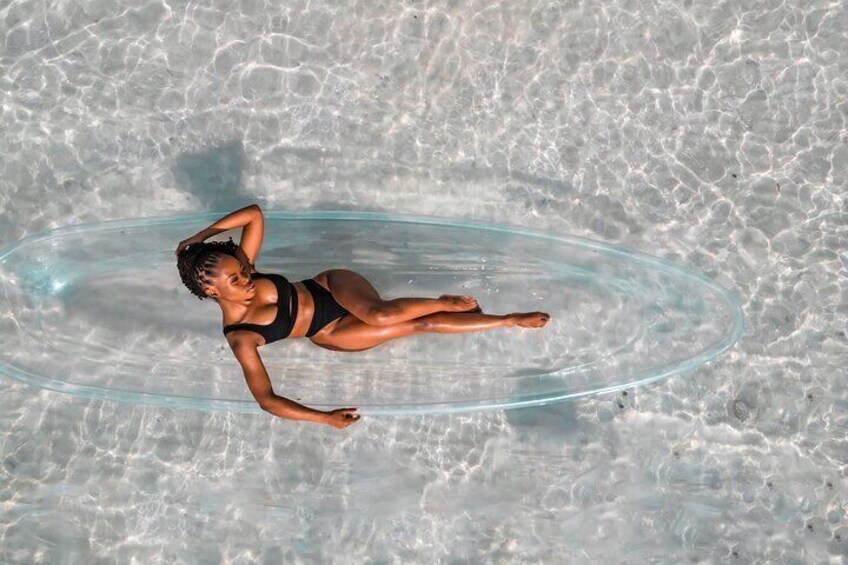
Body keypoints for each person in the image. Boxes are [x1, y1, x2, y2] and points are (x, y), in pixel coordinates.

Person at [175, 204, 550, 429]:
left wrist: (200, 236)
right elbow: (267, 400)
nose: (246, 277)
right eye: (236, 279)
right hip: (331, 330)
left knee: (381, 314)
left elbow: (254, 214)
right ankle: (510, 320)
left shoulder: (246, 268)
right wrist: (324, 418)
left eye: (242, 270)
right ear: (212, 292)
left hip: (331, 287)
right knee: (423, 325)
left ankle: (445, 301)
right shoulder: (241, 335)